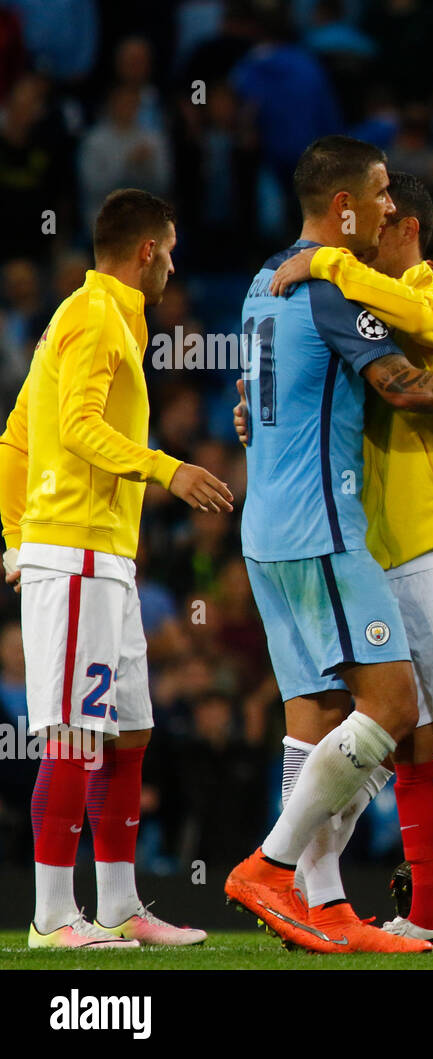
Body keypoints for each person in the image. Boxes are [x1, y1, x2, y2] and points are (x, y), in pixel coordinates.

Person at [224, 135, 433, 953]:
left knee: (319, 715)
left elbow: (258, 393)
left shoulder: (264, 281)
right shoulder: (334, 286)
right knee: (392, 711)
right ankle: (276, 867)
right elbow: (406, 386)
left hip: (271, 531)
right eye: (382, 193)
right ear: (346, 207)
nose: (393, 207)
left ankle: (323, 904)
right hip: (328, 528)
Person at [0, 188, 233, 948]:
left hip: (105, 559)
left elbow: (15, 437)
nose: (173, 262)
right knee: (72, 737)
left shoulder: (94, 318)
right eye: (169, 248)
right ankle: (50, 915)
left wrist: (10, 537)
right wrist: (167, 468)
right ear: (146, 250)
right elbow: (74, 426)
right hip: (74, 555)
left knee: (127, 734)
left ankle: (120, 904)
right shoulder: (94, 317)